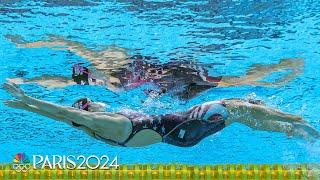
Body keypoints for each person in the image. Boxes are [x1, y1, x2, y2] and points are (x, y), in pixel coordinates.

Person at [3, 81, 319, 147]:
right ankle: (298, 122)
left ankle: (292, 132)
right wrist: (26, 96)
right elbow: (61, 111)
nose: (93, 103)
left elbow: (61, 117)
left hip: (183, 135)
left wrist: (23, 107)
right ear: (85, 112)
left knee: (239, 114)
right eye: (86, 103)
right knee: (235, 104)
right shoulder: (101, 122)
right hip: (184, 125)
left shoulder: (100, 129)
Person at [6, 35, 304, 100]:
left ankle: (21, 80)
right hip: (150, 75)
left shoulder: (113, 75)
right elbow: (65, 45)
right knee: (74, 78)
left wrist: (25, 47)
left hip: (153, 75)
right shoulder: (113, 72)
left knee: (73, 79)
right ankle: (21, 80)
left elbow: (65, 46)